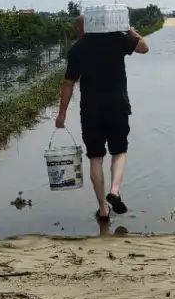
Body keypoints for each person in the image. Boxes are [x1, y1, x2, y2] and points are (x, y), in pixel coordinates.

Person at [56, 17, 150, 221]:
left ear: (83, 29)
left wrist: (61, 114)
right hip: (117, 106)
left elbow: (68, 83)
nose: (77, 31)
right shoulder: (116, 38)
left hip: (91, 111)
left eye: (77, 28)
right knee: (119, 152)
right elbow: (144, 48)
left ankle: (103, 209)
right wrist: (130, 31)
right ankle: (115, 191)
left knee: (95, 158)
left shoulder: (77, 49)